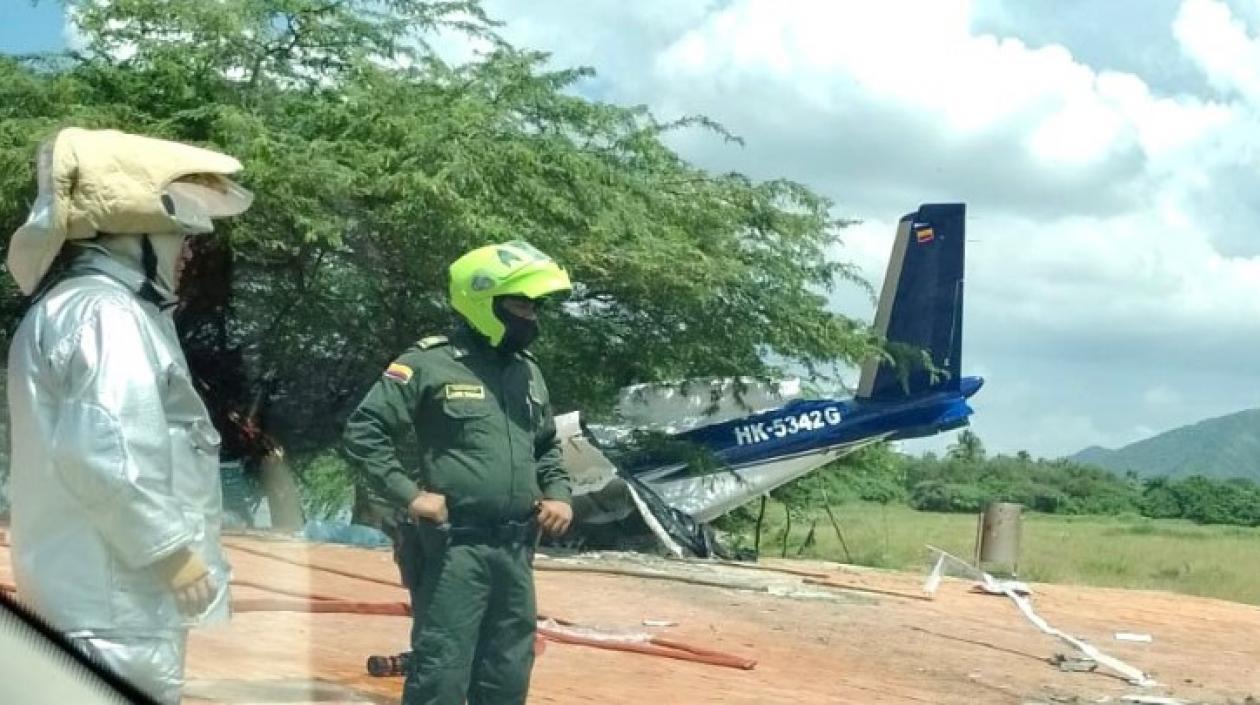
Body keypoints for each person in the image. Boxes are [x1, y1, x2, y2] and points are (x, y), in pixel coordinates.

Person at [6, 127, 254, 704]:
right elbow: (107, 454)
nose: (189, 251)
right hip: (116, 610)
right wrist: (173, 554)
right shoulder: (105, 314)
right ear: (133, 236)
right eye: (180, 237)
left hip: (97, 603)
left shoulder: (79, 307)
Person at [343, 240, 574, 705]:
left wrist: (559, 493)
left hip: (514, 550)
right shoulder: (428, 363)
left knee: (507, 674)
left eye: (535, 305)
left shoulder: (528, 373)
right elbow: (364, 430)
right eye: (519, 303)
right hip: (454, 549)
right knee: (441, 675)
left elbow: (546, 445)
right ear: (482, 300)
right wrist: (408, 494)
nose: (530, 315)